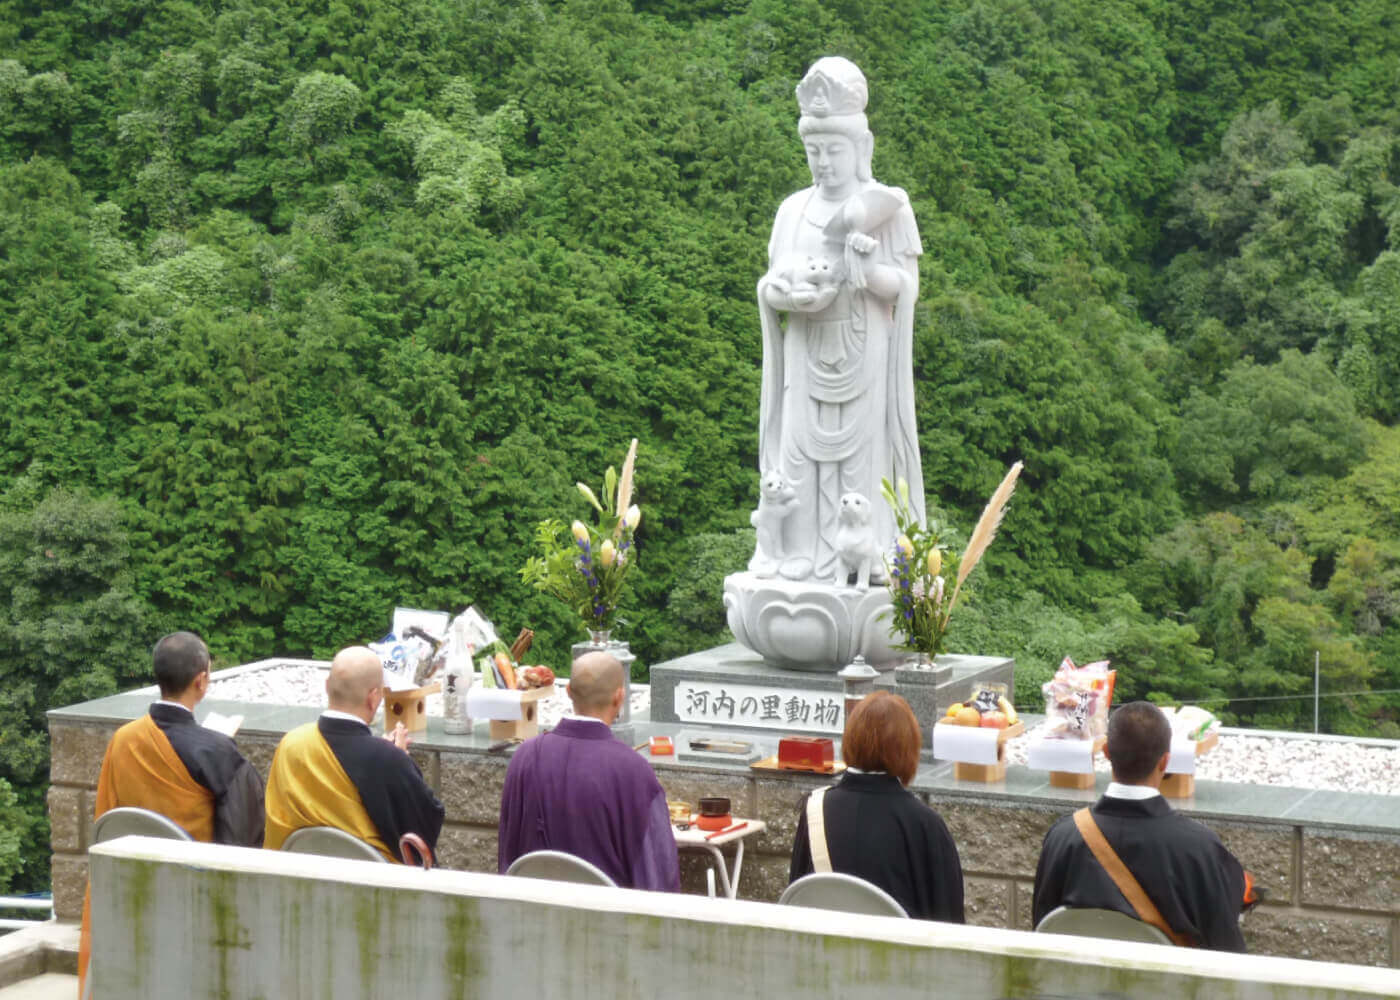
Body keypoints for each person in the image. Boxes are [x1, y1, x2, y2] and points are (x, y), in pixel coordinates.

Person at [755, 56, 924, 581]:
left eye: (833, 150)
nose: (823, 162)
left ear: (861, 149)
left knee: (858, 462)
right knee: (798, 458)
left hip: (863, 353)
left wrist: (868, 270)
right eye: (813, 151)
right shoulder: (792, 210)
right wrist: (779, 294)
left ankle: (864, 560)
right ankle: (799, 555)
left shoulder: (887, 208)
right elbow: (772, 281)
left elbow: (905, 287)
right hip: (805, 352)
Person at [79, 631, 265, 993]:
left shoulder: (124, 740)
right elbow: (243, 838)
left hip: (133, 889)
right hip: (195, 898)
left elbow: (109, 820)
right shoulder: (217, 752)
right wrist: (220, 745)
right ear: (201, 681)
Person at [1032, 701, 1248, 950]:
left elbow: (1043, 930)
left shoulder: (1062, 837)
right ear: (1165, 762)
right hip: (1166, 987)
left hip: (1075, 985)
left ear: (1106, 752)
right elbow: (1226, 950)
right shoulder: (1199, 848)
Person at [497, 651, 679, 890]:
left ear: (569, 691)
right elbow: (658, 877)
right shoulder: (633, 771)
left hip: (533, 914)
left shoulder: (524, 757)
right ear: (619, 697)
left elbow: (508, 857)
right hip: (607, 920)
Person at [789, 691, 964, 921]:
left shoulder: (815, 810)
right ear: (908, 748)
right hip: (901, 953)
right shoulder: (926, 825)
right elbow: (950, 924)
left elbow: (798, 902)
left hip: (828, 951)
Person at [263, 645, 444, 862]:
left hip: (300, 878)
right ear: (374, 697)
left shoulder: (290, 745)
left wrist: (387, 756)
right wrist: (399, 760)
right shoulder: (388, 760)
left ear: (327, 686)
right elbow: (425, 824)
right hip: (372, 887)